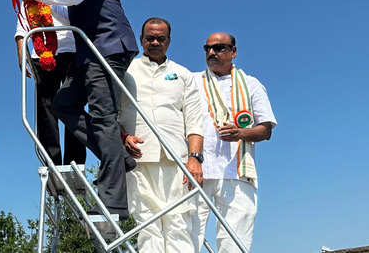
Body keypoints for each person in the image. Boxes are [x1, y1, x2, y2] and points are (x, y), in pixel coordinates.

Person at [18, 0, 139, 220]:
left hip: (107, 47)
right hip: (90, 52)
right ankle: (116, 156)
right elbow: (67, 10)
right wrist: (35, 8)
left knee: (103, 118)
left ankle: (114, 203)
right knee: (62, 105)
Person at [119, 18, 204, 252]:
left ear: (169, 41)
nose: (155, 42)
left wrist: (195, 157)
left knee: (179, 223)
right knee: (148, 225)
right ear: (141, 39)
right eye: (150, 38)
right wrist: (123, 136)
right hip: (138, 158)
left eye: (161, 38)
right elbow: (111, 113)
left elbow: (195, 121)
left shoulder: (183, 74)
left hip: (177, 160)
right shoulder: (125, 71)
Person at [193, 32, 277, 253]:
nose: (212, 53)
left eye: (219, 48)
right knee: (185, 238)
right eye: (207, 48)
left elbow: (266, 129)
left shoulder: (251, 84)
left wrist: (240, 133)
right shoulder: (192, 81)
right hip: (197, 170)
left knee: (235, 243)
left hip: (237, 173)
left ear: (233, 52)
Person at [14, 0, 85, 166]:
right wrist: (21, 55)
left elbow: (74, 10)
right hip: (41, 53)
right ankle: (51, 163)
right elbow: (22, 23)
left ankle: (75, 164)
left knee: (72, 104)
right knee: (46, 110)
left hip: (72, 49)